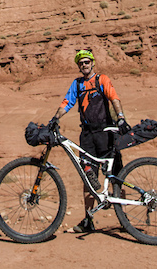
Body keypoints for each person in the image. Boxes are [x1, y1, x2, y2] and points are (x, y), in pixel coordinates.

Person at [50, 49, 130, 234]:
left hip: (106, 133)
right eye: (81, 63)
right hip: (87, 137)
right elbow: (66, 103)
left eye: (87, 62)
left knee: (117, 176)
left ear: (92, 63)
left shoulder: (102, 79)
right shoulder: (77, 84)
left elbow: (114, 97)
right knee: (88, 179)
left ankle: (125, 219)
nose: (84, 65)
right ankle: (88, 220)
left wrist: (121, 117)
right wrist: (56, 118)